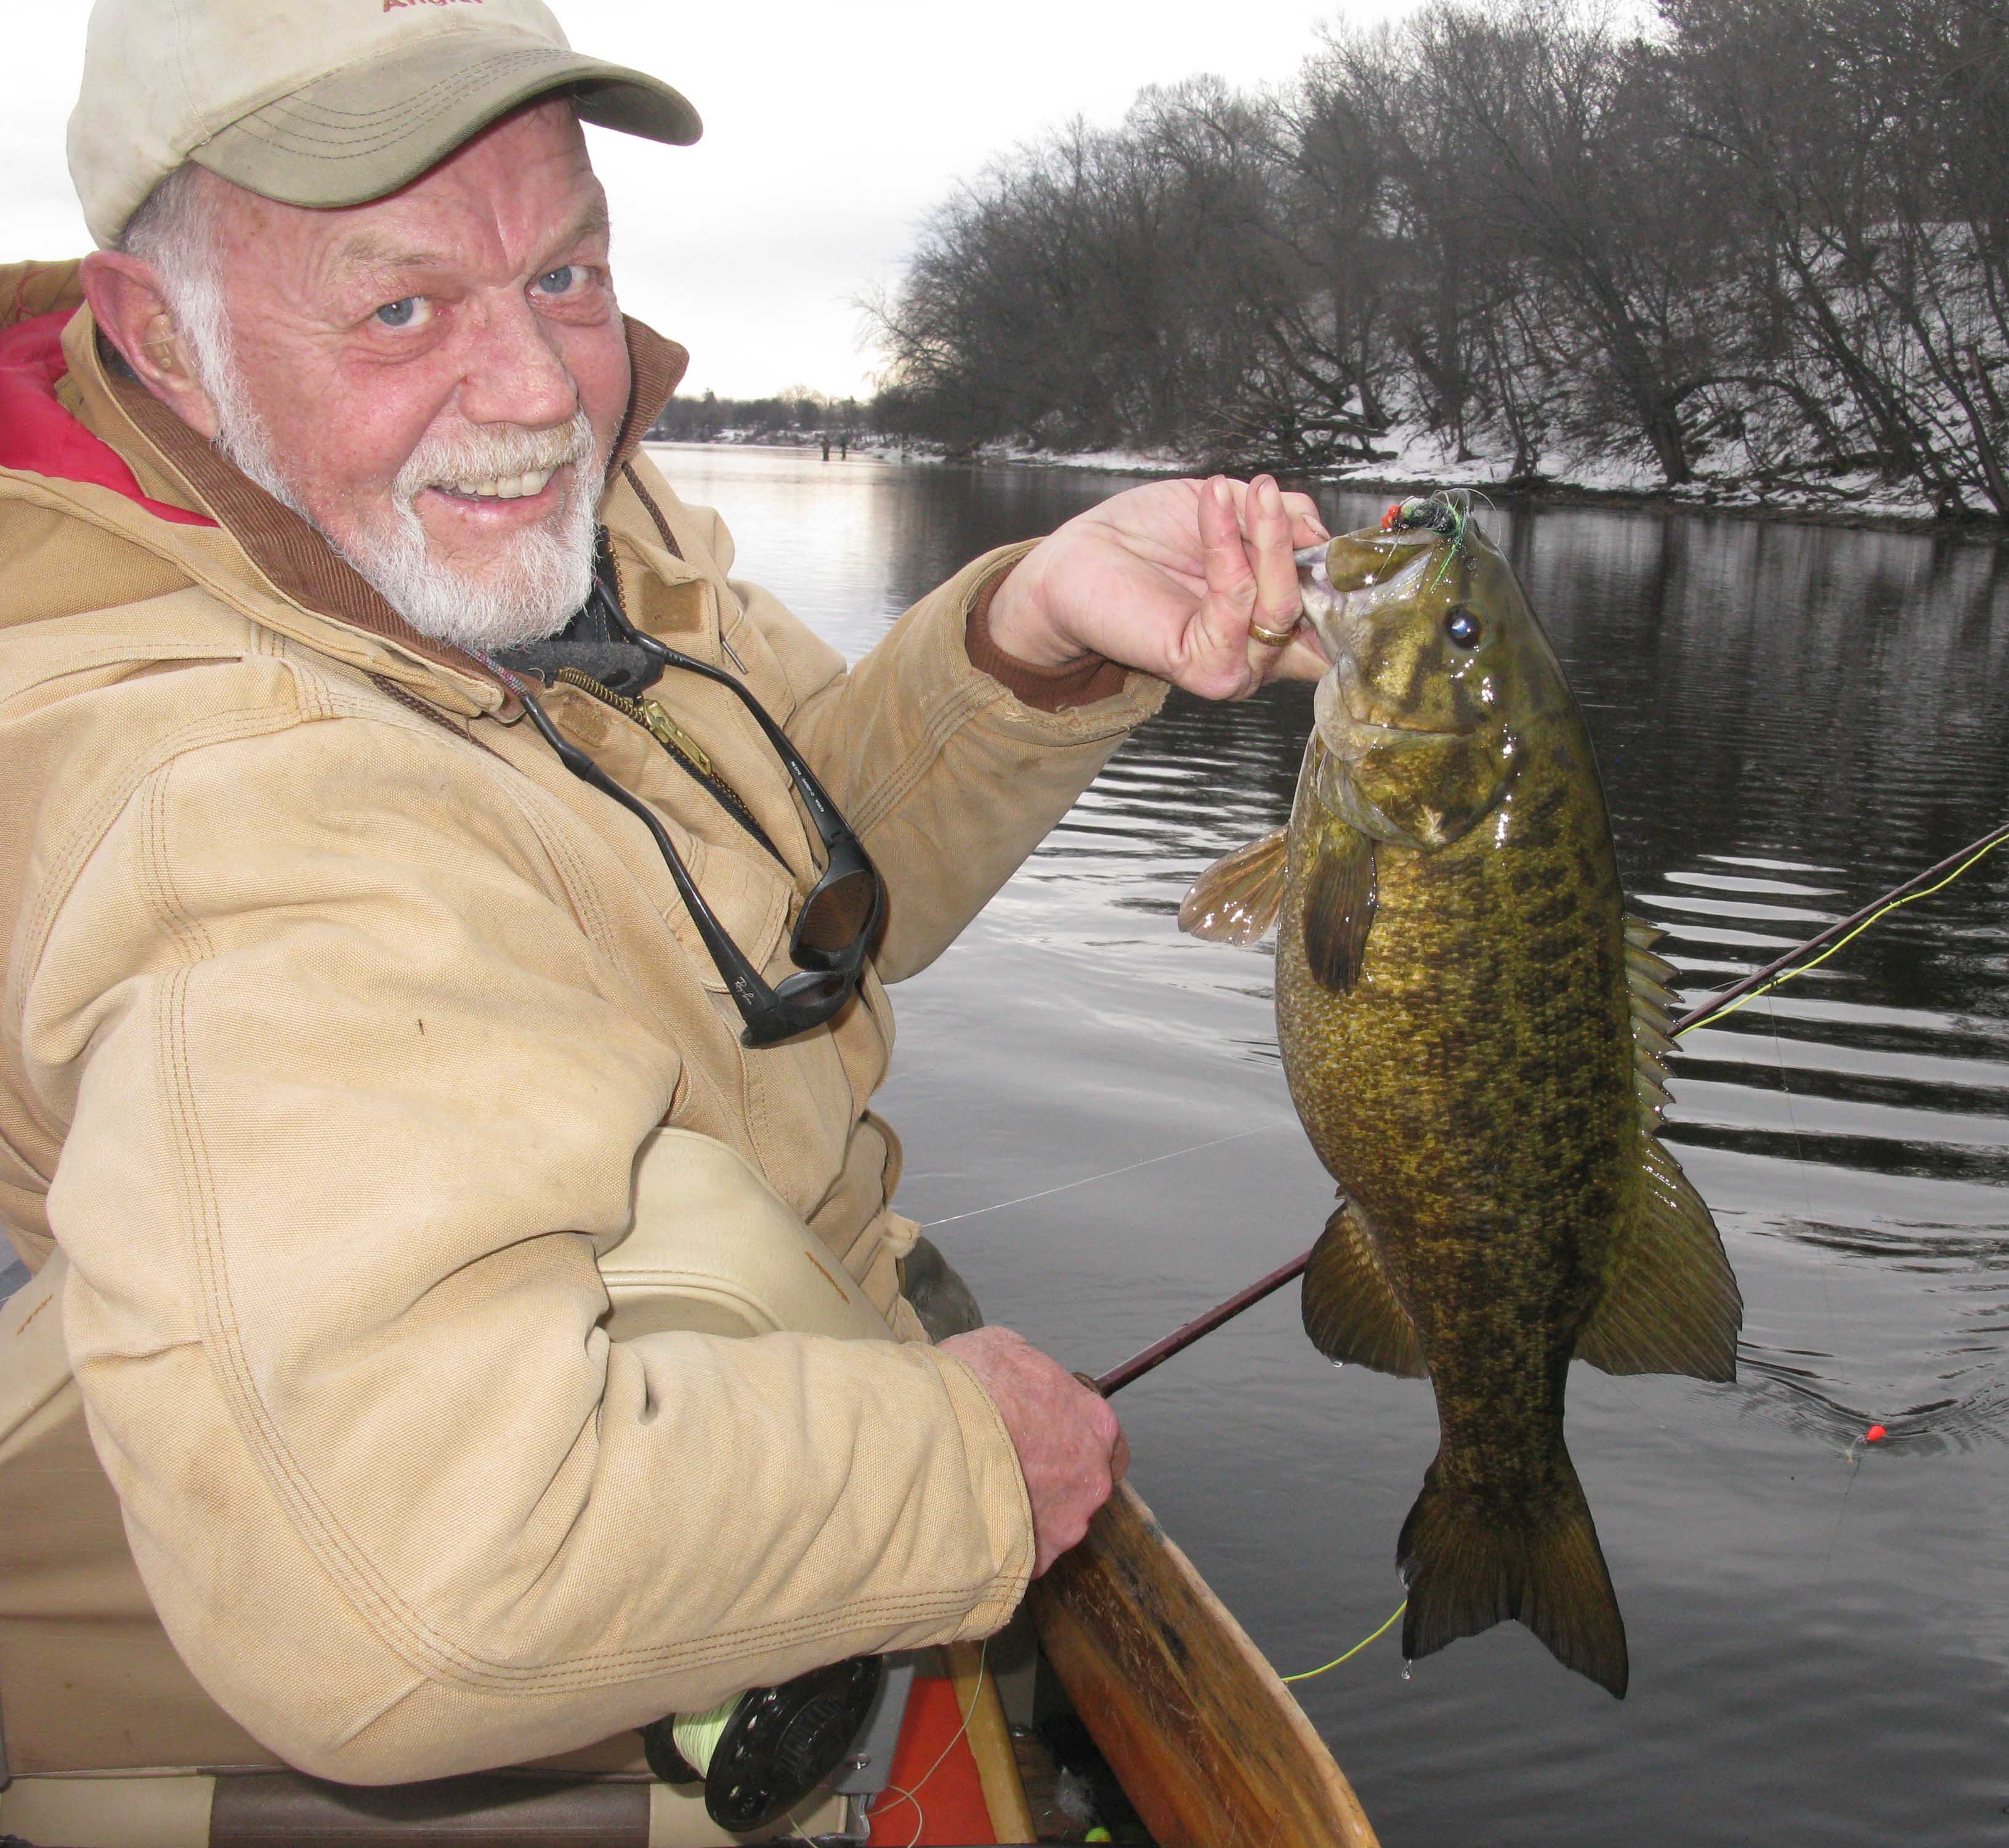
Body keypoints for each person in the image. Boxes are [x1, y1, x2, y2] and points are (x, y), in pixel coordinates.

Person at [0, 0, 1327, 1836]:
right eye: (400, 307)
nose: (543, 391)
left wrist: (1028, 635)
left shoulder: (476, 533)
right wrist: (961, 1473)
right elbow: (410, 1602)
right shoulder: (233, 805)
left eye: (563, 271)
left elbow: (788, 890)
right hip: (435, 1712)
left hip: (755, 1414)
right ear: (165, 338)